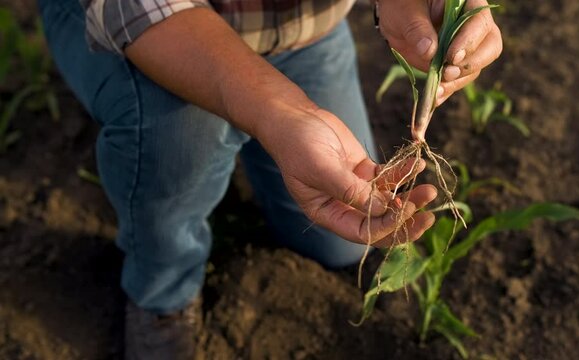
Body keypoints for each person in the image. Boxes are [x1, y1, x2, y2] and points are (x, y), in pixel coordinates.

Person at [38, 0, 502, 358]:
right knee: (183, 134)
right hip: (146, 24)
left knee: (343, 236)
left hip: (301, 30)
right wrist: (281, 113)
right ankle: (162, 291)